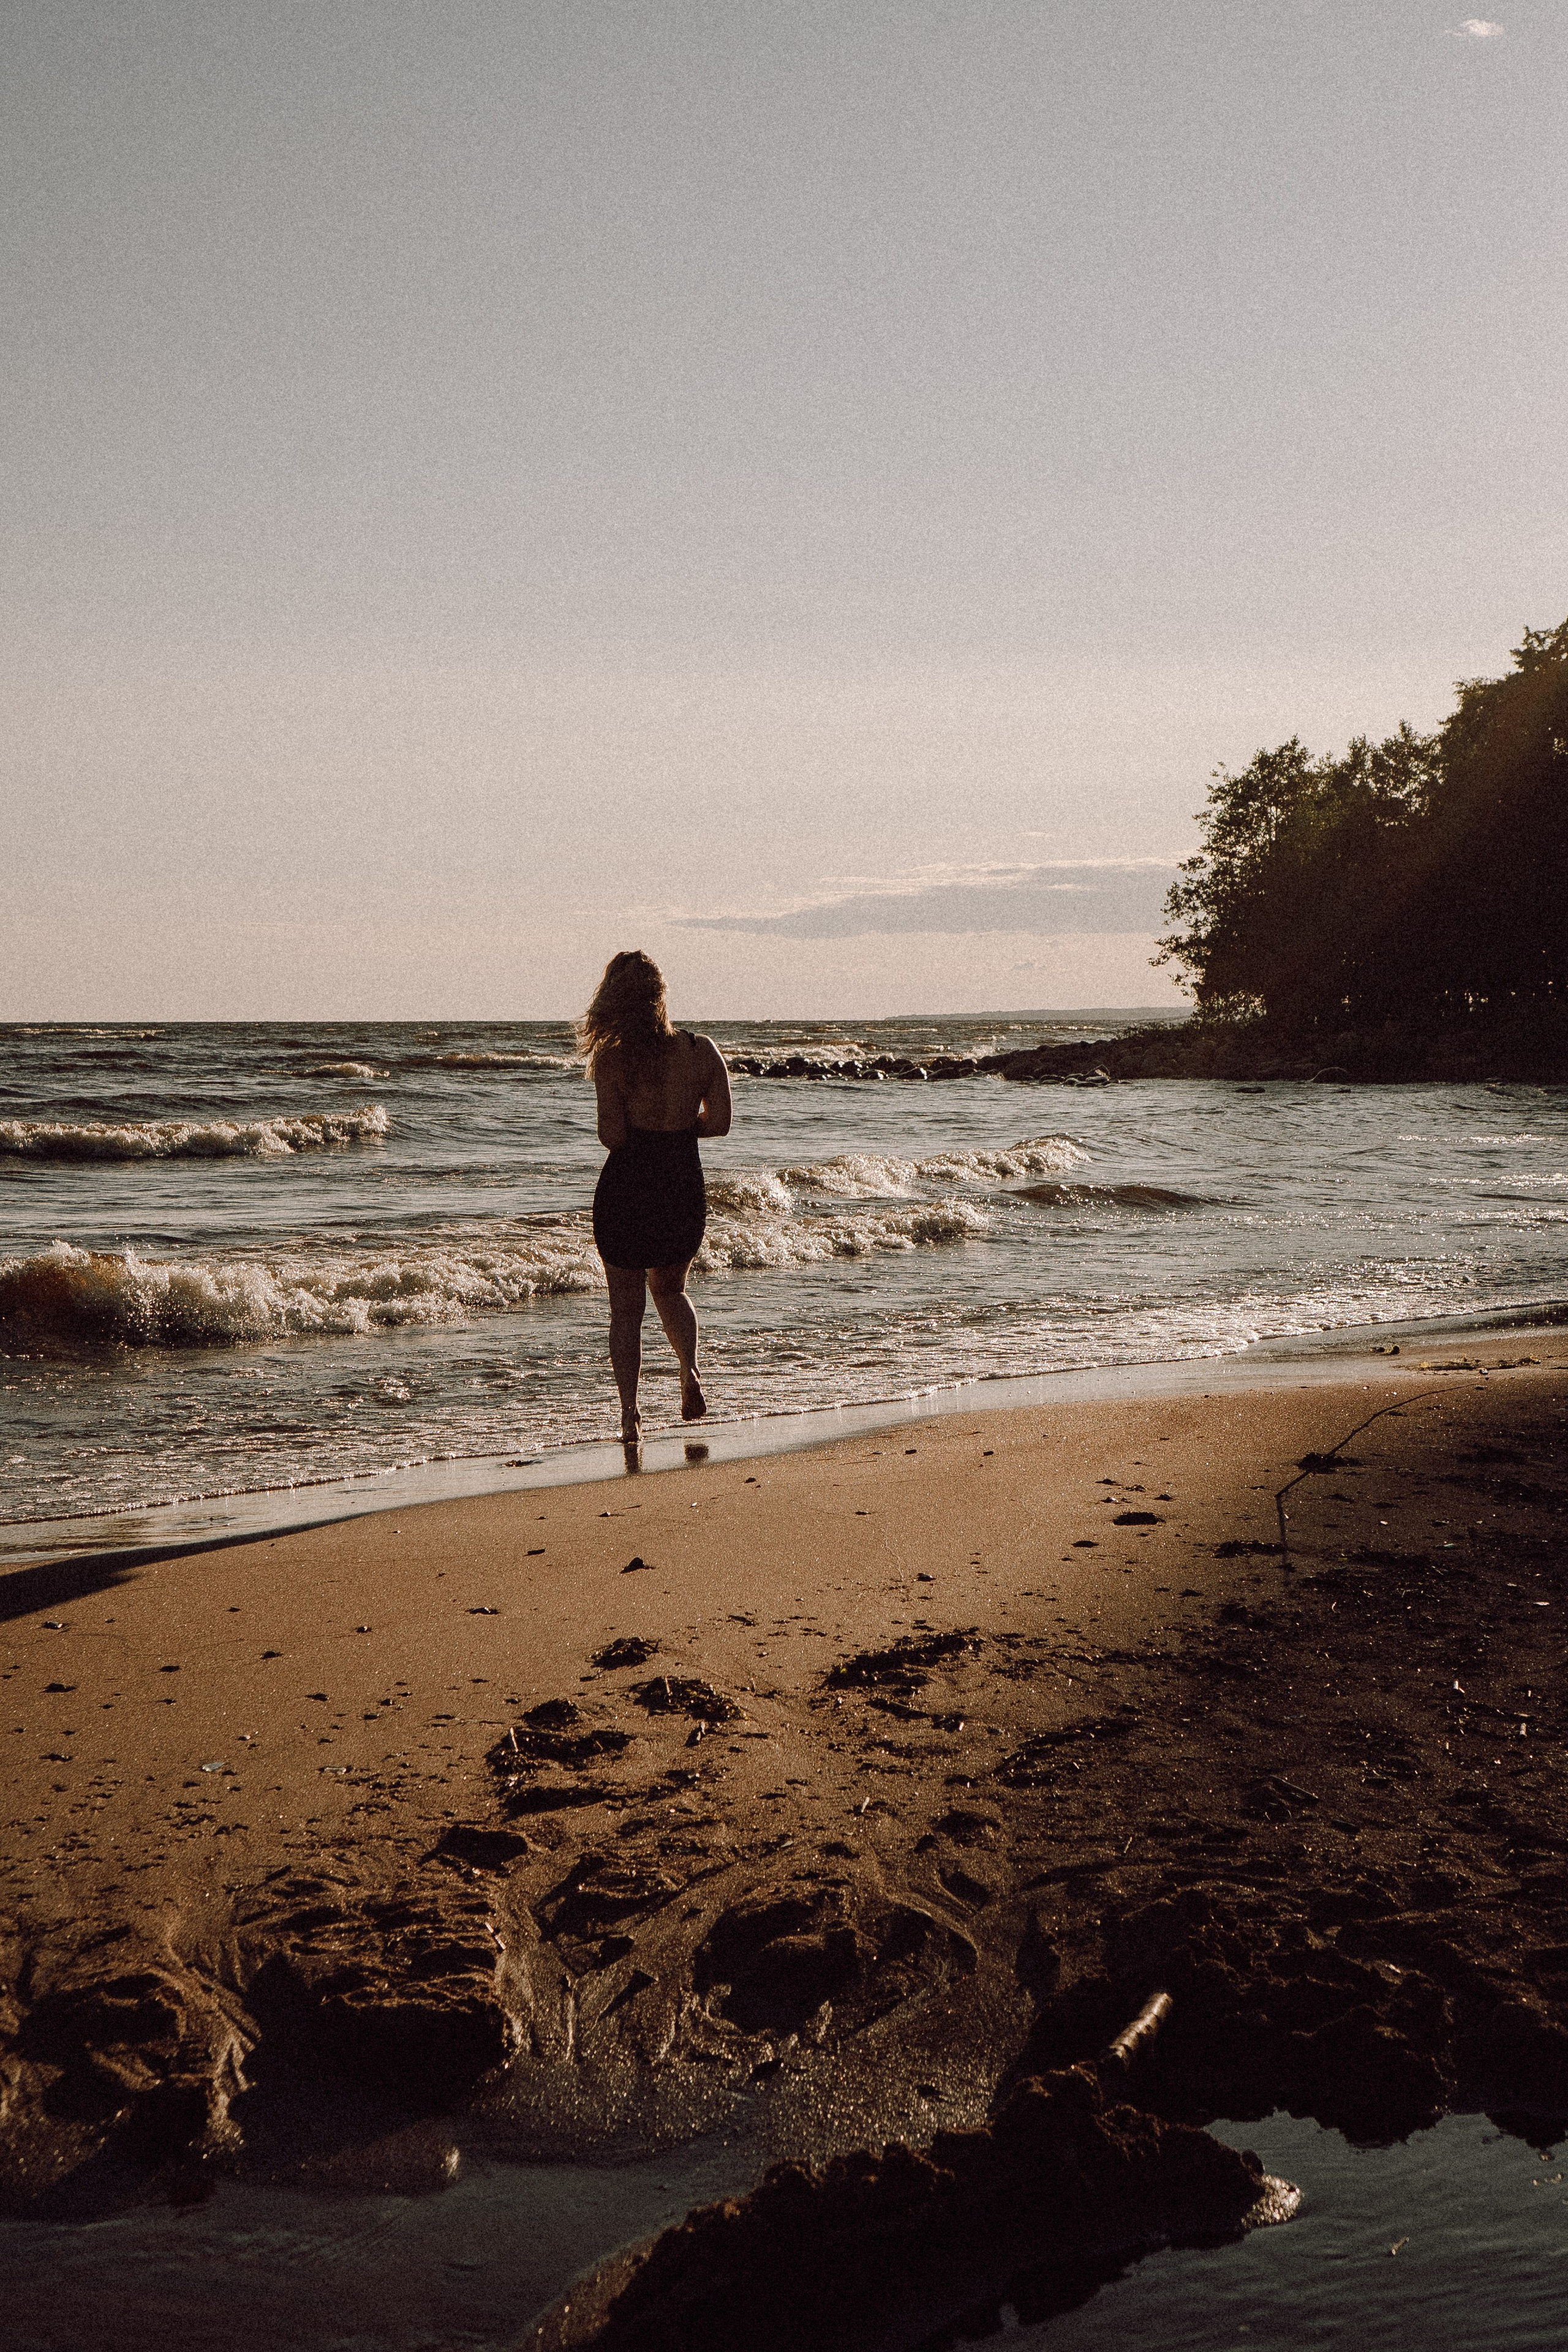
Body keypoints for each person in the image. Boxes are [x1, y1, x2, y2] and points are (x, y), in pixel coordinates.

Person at [579, 951, 732, 1443]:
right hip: (679, 1183)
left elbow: (613, 1137)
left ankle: (630, 1414)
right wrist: (681, 1129)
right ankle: (689, 1372)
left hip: (628, 1186)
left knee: (625, 1310)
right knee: (671, 1290)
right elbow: (722, 1123)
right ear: (660, 994)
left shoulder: (613, 1057)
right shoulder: (701, 1049)